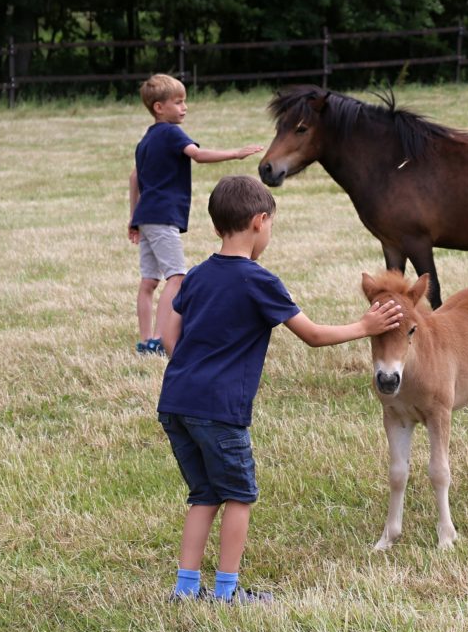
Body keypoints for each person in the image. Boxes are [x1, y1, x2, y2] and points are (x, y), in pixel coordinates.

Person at [158, 175, 403, 604]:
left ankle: (184, 589)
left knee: (203, 496)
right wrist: (364, 327)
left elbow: (169, 335)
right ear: (259, 221)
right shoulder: (259, 280)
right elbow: (311, 335)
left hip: (177, 400)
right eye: (271, 226)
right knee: (238, 496)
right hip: (219, 410)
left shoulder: (197, 276)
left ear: (217, 228)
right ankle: (226, 593)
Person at [128, 73, 263, 355]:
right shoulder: (171, 133)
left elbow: (134, 177)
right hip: (163, 217)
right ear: (159, 108)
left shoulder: (146, 140)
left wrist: (134, 219)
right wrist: (236, 154)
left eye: (184, 102)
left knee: (149, 281)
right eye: (178, 102)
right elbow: (197, 155)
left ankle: (145, 340)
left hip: (147, 217)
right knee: (176, 278)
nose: (184, 107)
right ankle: (161, 341)